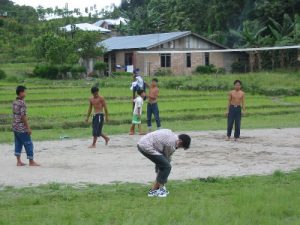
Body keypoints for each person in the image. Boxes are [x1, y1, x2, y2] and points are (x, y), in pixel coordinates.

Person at [137, 129, 191, 197]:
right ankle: (154, 190)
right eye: (181, 146)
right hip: (146, 146)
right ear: (180, 141)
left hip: (142, 142)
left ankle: (159, 187)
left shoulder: (170, 133)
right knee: (167, 166)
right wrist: (163, 178)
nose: (178, 148)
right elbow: (167, 158)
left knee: (162, 163)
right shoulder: (171, 143)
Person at [12, 86, 40, 166]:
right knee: (28, 143)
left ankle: (18, 161)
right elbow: (23, 116)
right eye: (24, 92)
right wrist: (28, 128)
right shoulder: (22, 103)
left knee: (18, 143)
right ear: (21, 93)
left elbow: (16, 114)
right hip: (21, 128)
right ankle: (31, 162)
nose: (25, 93)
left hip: (15, 126)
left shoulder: (14, 102)